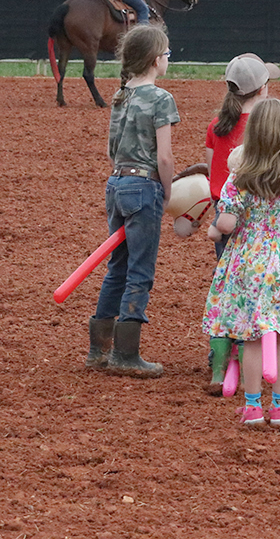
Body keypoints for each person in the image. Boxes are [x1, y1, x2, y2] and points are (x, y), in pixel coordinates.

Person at [203, 98, 280, 428]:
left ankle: (253, 406)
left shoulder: (239, 178)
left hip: (247, 262)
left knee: (251, 337)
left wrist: (219, 227)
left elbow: (225, 224)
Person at [86, 25, 177, 378]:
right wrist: (167, 190)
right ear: (156, 60)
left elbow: (112, 149)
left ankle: (99, 349)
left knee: (117, 268)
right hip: (144, 187)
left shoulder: (121, 95)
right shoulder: (160, 99)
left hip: (117, 184)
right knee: (140, 270)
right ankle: (126, 353)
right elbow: (165, 158)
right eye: (168, 53)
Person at [202, 53, 280, 394]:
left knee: (227, 288)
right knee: (259, 290)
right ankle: (253, 350)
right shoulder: (265, 127)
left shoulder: (217, 124)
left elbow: (212, 172)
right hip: (260, 218)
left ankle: (221, 362)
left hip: (225, 213)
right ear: (264, 88)